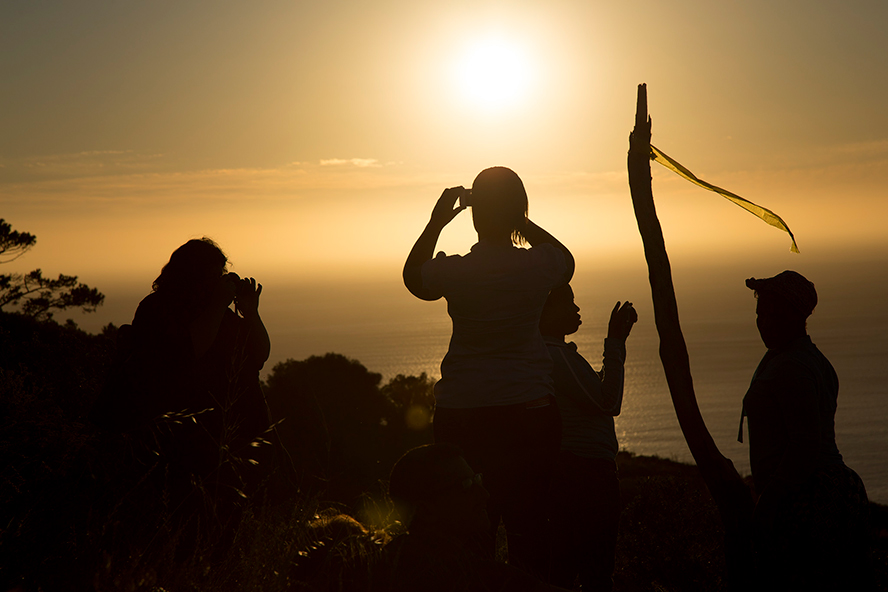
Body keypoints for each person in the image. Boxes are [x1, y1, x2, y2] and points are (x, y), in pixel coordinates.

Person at [402, 166, 574, 578]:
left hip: (463, 411)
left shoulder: (456, 271)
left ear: (475, 213)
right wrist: (517, 217)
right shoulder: (538, 267)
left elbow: (413, 277)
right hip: (530, 411)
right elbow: (565, 259)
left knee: (468, 528)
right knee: (530, 529)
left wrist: (437, 221)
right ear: (518, 211)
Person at [738, 270, 873, 590]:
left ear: (794, 316)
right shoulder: (801, 359)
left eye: (771, 314)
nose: (763, 322)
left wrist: (767, 503)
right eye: (760, 313)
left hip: (810, 498)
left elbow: (804, 445)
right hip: (817, 491)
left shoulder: (793, 366)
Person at [539, 284, 636, 592]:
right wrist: (615, 344)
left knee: (566, 571)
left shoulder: (552, 353)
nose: (577, 309)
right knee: (595, 573)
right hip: (586, 475)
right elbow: (608, 403)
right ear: (545, 313)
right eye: (568, 303)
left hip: (576, 473)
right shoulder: (555, 354)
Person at [379, 443, 564, 592]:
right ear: (426, 510)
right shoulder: (486, 579)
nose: (485, 495)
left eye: (478, 480)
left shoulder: (378, 567)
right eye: (466, 486)